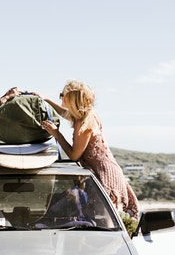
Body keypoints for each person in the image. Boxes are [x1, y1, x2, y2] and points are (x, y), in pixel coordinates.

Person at [38, 80, 140, 217]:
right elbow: (64, 113)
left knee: (104, 219)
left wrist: (56, 134)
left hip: (105, 174)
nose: (61, 97)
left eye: (62, 95)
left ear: (72, 99)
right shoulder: (85, 115)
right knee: (97, 217)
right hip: (101, 171)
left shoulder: (85, 125)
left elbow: (74, 155)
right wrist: (46, 99)